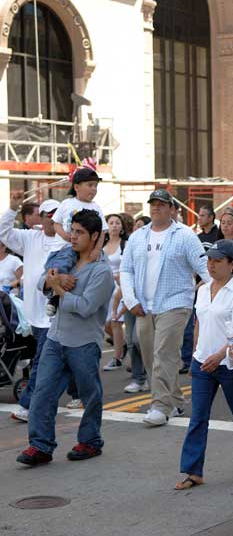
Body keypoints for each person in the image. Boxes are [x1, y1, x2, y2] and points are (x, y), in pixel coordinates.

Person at [16, 210, 114, 466]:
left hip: (83, 343)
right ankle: (40, 446)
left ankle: (91, 441)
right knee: (42, 393)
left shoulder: (101, 272)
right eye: (73, 230)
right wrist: (54, 281)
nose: (73, 237)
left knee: (90, 395)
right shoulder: (66, 258)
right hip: (55, 337)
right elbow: (40, 282)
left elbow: (85, 307)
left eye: (80, 233)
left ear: (95, 236)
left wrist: (58, 288)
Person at [120, 189, 210, 427]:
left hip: (175, 303)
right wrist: (130, 300)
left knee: (163, 354)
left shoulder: (184, 236)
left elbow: (203, 266)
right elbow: (126, 269)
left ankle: (161, 406)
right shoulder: (138, 237)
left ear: (172, 209)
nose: (156, 208)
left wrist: (222, 291)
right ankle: (177, 400)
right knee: (151, 356)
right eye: (153, 204)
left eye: (162, 204)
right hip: (143, 306)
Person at [175, 240, 233, 490]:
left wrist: (220, 354)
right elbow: (199, 323)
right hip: (203, 363)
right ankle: (193, 471)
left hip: (230, 364)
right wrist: (196, 352)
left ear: (232, 264)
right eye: (209, 260)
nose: (211, 265)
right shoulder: (202, 290)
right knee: (198, 418)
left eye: (217, 260)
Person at [1, 195, 67, 422]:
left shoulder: (68, 242)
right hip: (32, 316)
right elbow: (3, 233)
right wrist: (12, 208)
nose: (52, 220)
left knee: (44, 362)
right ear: (41, 218)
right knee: (53, 363)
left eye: (56, 216)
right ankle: (47, 402)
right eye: (48, 216)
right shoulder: (30, 238)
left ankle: (30, 405)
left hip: (58, 315)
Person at [47, 167, 108, 316]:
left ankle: (63, 300)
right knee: (59, 270)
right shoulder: (67, 203)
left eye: (95, 186)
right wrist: (64, 235)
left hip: (83, 251)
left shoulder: (96, 207)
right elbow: (56, 223)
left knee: (78, 278)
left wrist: (97, 249)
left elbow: (103, 231)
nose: (93, 189)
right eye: (90, 185)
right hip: (63, 248)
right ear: (76, 187)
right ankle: (55, 298)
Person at [101, 214, 129, 371]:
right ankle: (123, 345)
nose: (114, 225)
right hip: (105, 287)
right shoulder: (101, 244)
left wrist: (120, 277)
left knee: (116, 322)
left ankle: (117, 358)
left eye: (117, 223)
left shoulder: (125, 244)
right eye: (111, 223)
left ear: (122, 227)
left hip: (121, 286)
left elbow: (128, 266)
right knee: (106, 323)